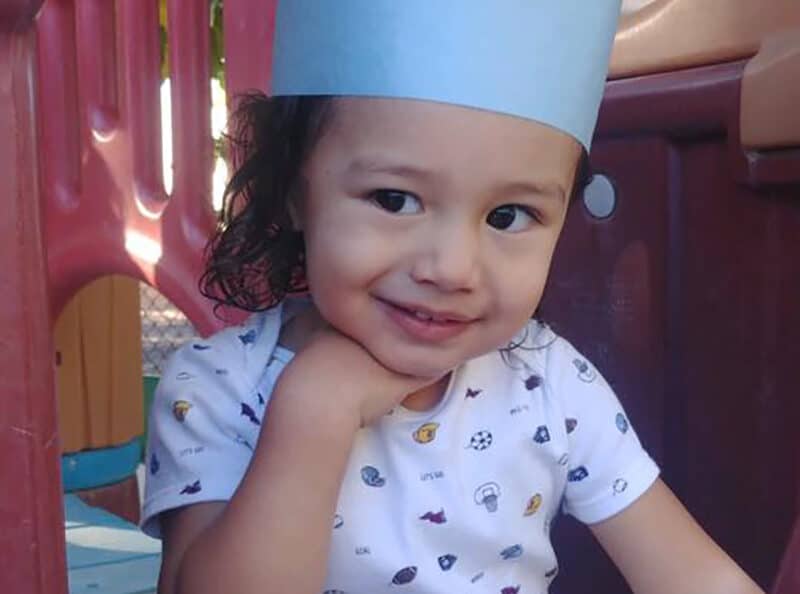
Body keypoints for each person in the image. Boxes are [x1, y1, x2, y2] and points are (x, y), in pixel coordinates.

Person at [140, 2, 765, 593]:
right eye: (394, 199)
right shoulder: (218, 388)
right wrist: (312, 413)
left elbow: (697, 576)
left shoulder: (547, 381)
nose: (452, 268)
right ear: (295, 192)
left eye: (508, 215)